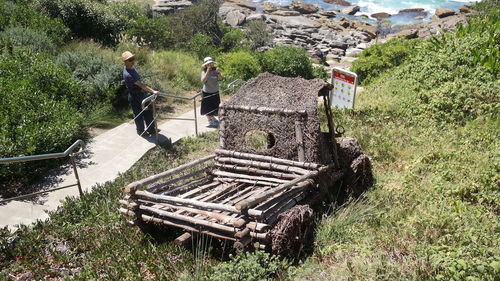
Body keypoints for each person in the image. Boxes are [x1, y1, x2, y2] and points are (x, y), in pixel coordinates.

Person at [122, 51, 159, 136]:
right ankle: (141, 131)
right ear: (125, 61)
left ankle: (151, 129)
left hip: (141, 95)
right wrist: (153, 91)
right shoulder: (128, 75)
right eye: (130, 60)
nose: (133, 61)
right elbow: (142, 85)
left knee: (148, 112)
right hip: (134, 97)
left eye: (133, 59)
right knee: (139, 115)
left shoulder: (131, 67)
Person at [201, 57, 223, 128]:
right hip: (207, 92)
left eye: (211, 63)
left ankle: (212, 118)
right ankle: (210, 121)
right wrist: (207, 71)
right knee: (207, 108)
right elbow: (203, 80)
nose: (210, 65)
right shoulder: (203, 71)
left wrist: (219, 73)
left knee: (215, 107)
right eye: (208, 64)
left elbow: (220, 79)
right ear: (206, 65)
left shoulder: (215, 71)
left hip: (215, 92)